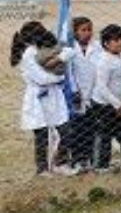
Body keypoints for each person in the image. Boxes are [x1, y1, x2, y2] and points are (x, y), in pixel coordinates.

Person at [12, 21, 76, 177]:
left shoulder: (44, 48)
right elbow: (40, 78)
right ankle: (42, 169)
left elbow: (68, 51)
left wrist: (58, 59)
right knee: (41, 135)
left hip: (54, 95)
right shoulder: (28, 54)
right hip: (38, 97)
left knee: (65, 130)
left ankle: (59, 163)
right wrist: (60, 77)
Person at [92, 24, 121, 173]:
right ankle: (101, 166)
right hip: (105, 105)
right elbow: (101, 87)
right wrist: (117, 104)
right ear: (106, 43)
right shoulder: (104, 61)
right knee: (105, 136)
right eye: (116, 40)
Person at [71, 17, 103, 170]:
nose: (87, 33)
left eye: (89, 29)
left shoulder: (98, 47)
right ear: (75, 32)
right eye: (83, 30)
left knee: (91, 128)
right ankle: (77, 158)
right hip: (76, 95)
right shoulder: (70, 49)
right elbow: (68, 73)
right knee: (77, 129)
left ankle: (90, 157)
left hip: (93, 93)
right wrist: (74, 91)